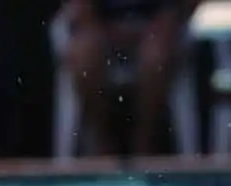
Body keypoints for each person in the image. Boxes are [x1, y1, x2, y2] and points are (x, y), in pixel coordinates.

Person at [60, 0, 198, 156]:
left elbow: (179, 8)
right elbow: (80, 10)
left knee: (155, 58)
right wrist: (109, 31)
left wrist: (160, 26)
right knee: (84, 57)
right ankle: (102, 142)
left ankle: (143, 143)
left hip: (154, 31)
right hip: (102, 30)